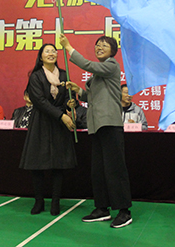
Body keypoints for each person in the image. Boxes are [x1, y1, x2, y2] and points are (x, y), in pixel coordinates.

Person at [60, 34, 133, 229]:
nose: (99, 47)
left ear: (112, 51)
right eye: (97, 45)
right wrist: (79, 91)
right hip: (97, 125)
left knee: (115, 169)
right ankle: (102, 208)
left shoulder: (111, 66)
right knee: (98, 170)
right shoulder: (98, 75)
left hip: (109, 124)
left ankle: (124, 211)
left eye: (104, 45)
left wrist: (68, 48)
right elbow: (92, 97)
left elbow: (88, 65)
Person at [19, 43, 77, 216]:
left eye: (54, 51)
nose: (51, 54)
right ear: (41, 56)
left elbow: (68, 97)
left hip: (59, 124)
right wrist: (62, 116)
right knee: (38, 164)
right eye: (47, 51)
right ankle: (39, 201)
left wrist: (70, 103)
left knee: (58, 164)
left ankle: (56, 201)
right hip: (41, 121)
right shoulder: (36, 76)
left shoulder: (64, 74)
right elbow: (40, 101)